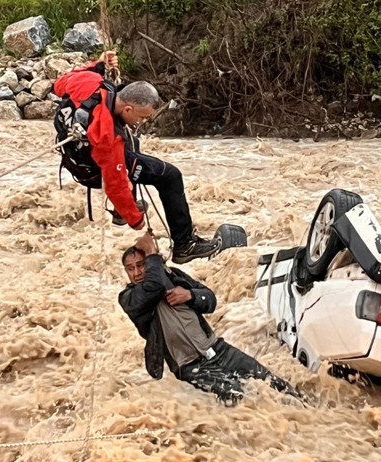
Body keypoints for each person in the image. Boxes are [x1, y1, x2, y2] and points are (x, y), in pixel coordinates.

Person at [53, 51, 220, 264]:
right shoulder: (108, 136)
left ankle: (125, 209)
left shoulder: (87, 80)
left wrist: (99, 64)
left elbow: (60, 84)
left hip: (75, 156)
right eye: (141, 117)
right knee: (170, 176)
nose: (141, 122)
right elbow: (115, 184)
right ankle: (185, 245)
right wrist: (136, 219)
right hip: (92, 170)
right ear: (128, 108)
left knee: (134, 143)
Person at [118, 232, 297, 404]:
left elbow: (210, 300)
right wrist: (150, 252)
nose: (137, 273)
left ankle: (314, 411)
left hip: (219, 350)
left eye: (141, 265)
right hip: (190, 367)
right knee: (238, 396)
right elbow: (154, 286)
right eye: (130, 269)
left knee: (272, 382)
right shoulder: (129, 298)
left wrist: (190, 295)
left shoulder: (174, 275)